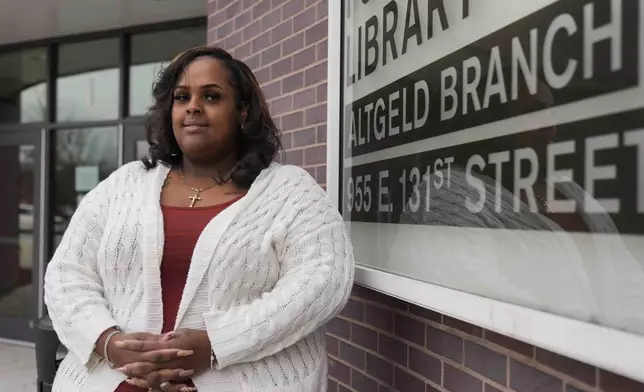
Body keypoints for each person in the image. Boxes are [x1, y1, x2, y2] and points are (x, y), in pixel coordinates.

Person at [43, 46, 355, 392]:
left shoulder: (290, 191)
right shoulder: (123, 185)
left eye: (211, 96)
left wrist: (215, 345)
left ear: (242, 111)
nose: (193, 106)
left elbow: (323, 280)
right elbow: (67, 274)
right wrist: (109, 343)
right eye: (181, 96)